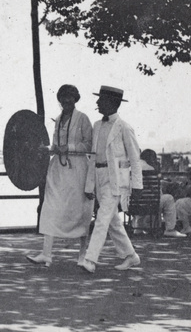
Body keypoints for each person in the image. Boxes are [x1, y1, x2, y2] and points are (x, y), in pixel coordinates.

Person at [26, 84, 93, 267]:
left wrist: (69, 148)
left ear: (76, 98)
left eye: (70, 97)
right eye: (63, 97)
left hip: (77, 170)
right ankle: (46, 254)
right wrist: (47, 150)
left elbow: (89, 145)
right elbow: (56, 145)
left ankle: (82, 256)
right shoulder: (58, 119)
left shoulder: (83, 119)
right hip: (58, 170)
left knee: (80, 212)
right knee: (50, 207)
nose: (66, 101)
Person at [80, 86, 143, 273]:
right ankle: (131, 256)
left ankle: (90, 260)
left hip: (116, 180)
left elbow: (134, 158)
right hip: (99, 177)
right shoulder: (97, 126)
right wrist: (89, 184)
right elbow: (93, 157)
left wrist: (137, 185)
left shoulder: (125, 127)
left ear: (112, 103)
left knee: (101, 218)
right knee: (113, 221)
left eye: (101, 100)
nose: (97, 103)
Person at [135, 149, 186, 238]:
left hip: (132, 204)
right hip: (148, 203)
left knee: (143, 196)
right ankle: (170, 229)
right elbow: (155, 189)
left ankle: (138, 228)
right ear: (151, 159)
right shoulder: (149, 169)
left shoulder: (131, 167)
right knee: (168, 198)